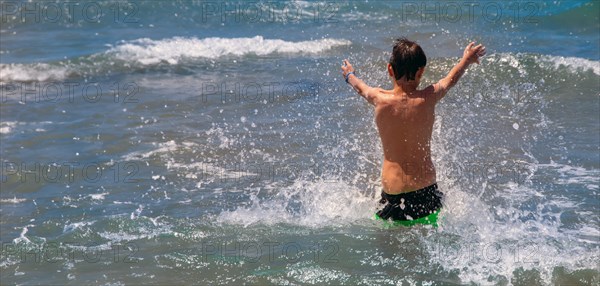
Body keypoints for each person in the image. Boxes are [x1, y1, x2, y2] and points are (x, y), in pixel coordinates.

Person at [341, 38, 486, 226]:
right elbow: (450, 80)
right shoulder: (429, 97)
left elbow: (360, 88)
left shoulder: (379, 98)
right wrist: (466, 60)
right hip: (426, 192)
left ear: (390, 70)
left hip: (394, 195)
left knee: (391, 243)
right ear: (421, 71)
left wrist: (349, 75)